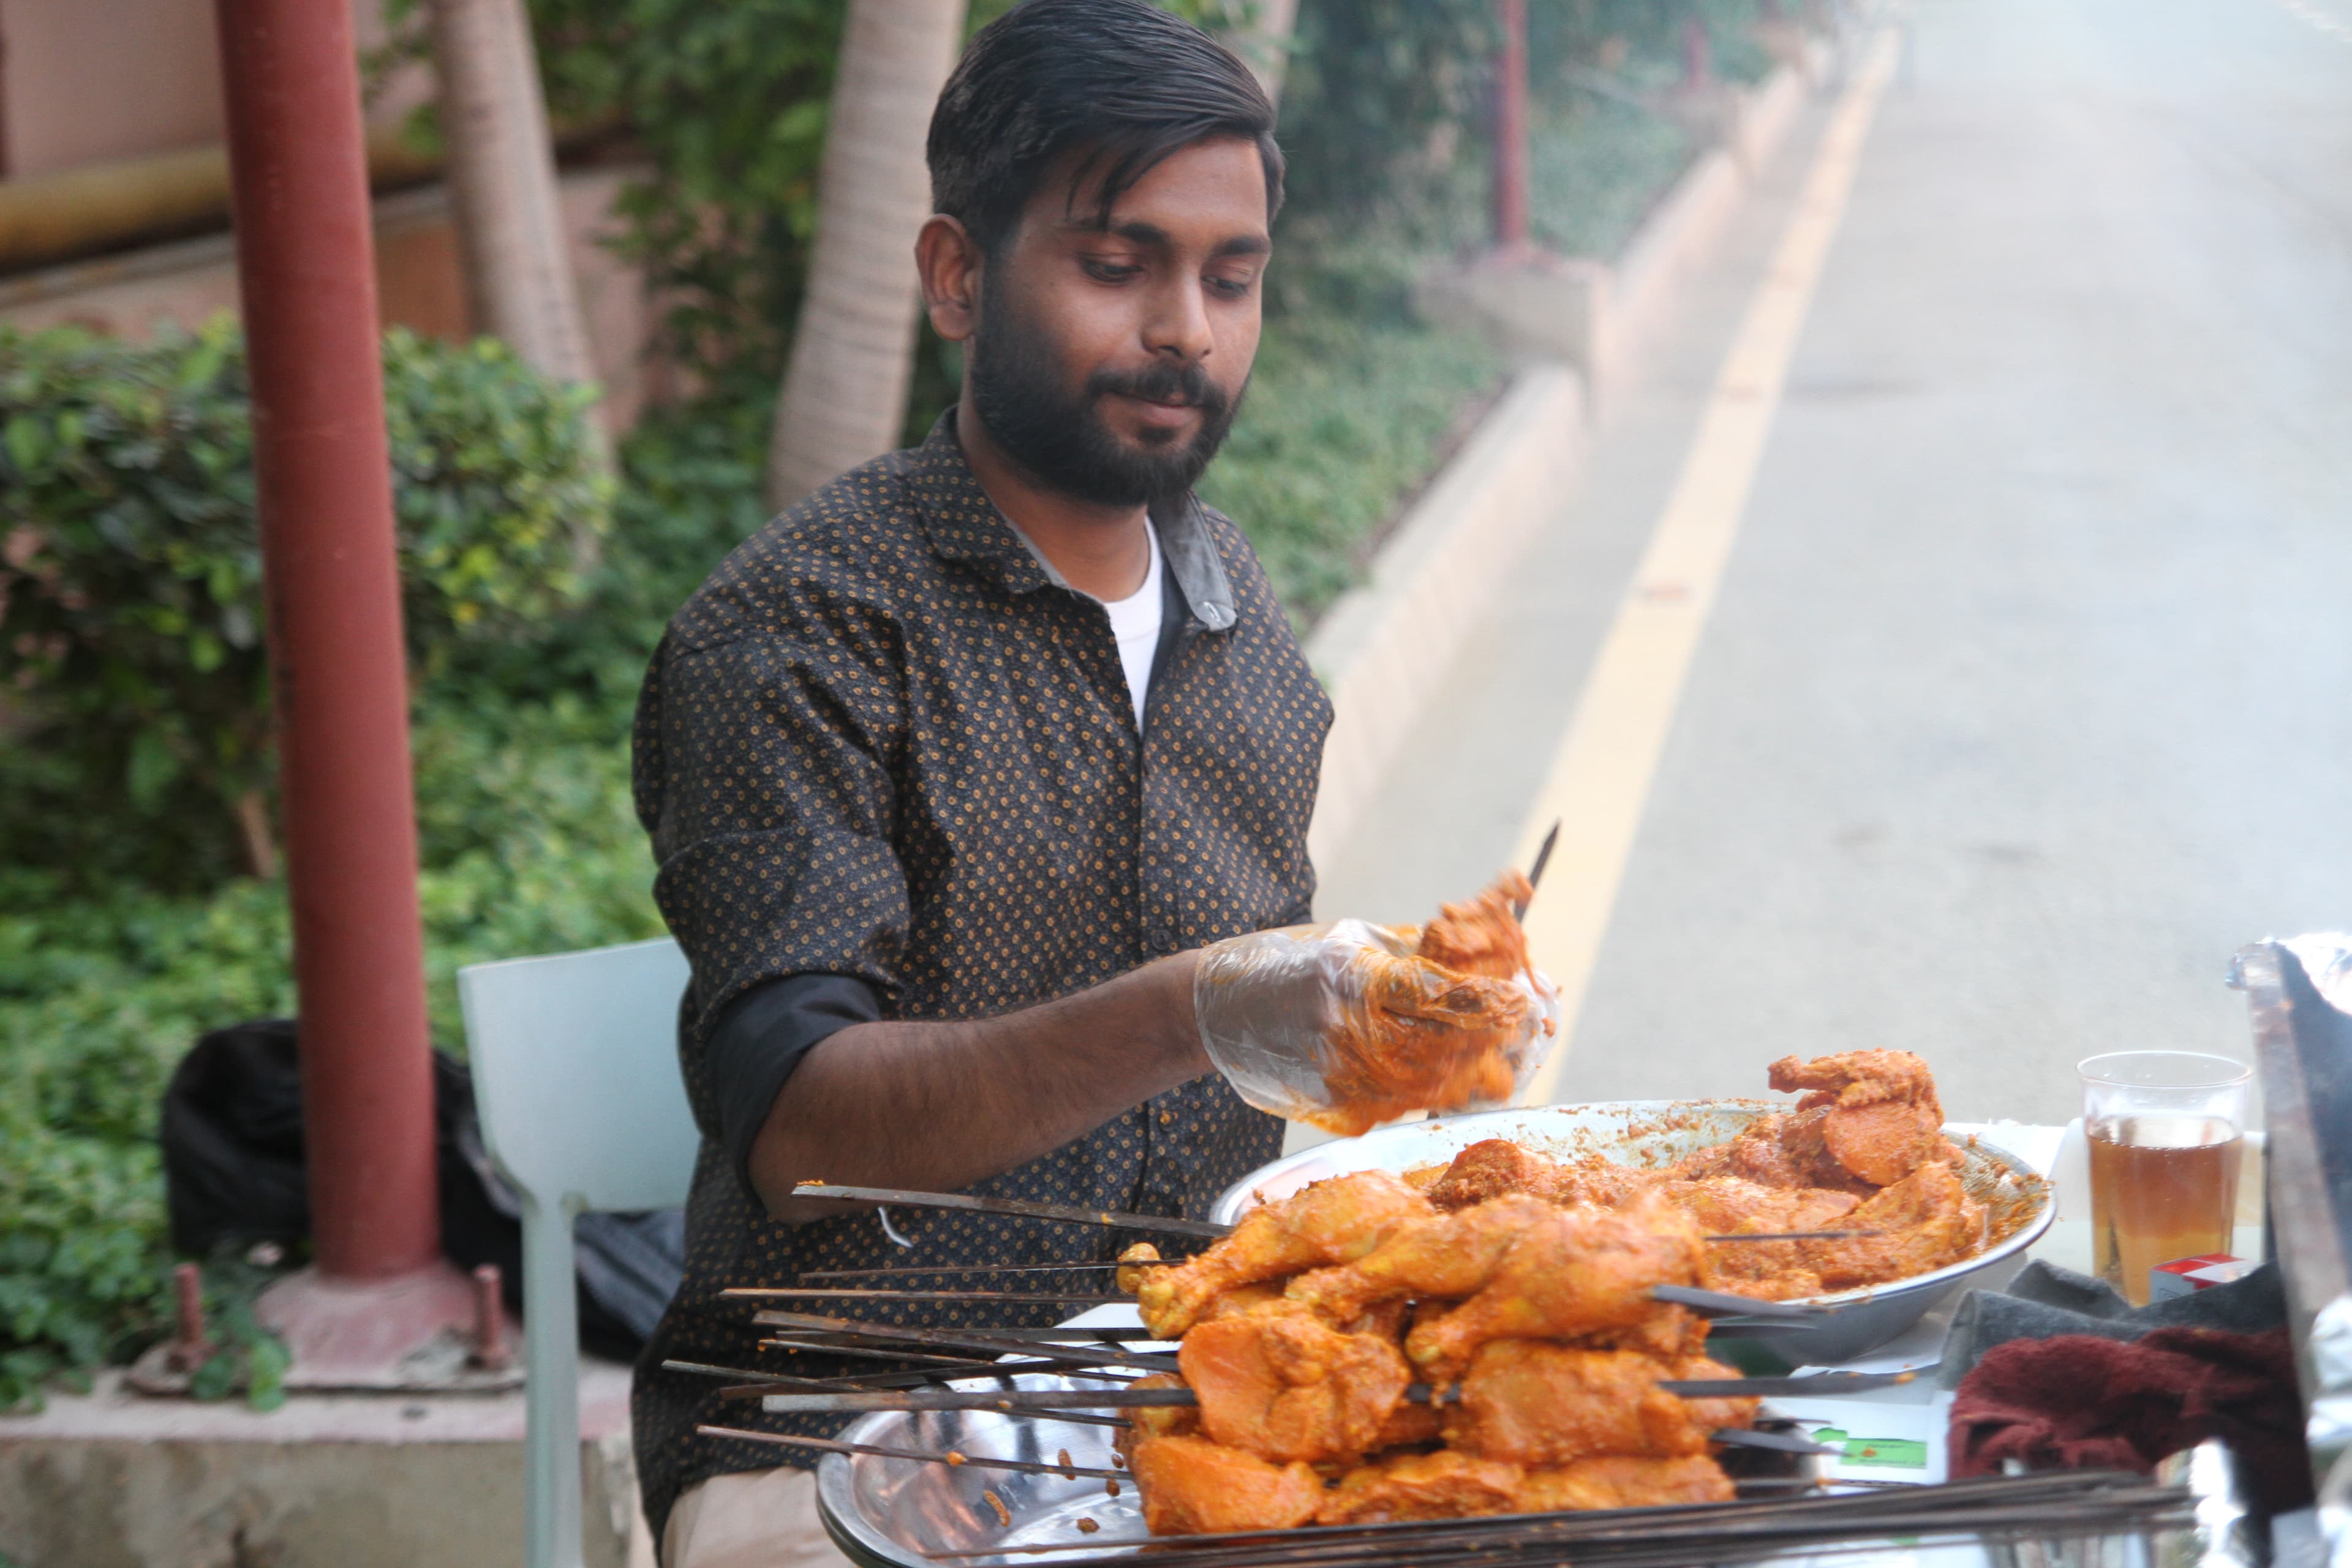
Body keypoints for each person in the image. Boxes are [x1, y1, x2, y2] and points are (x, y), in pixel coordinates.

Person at [628, 2, 1327, 1560]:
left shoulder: (1241, 613)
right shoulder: (798, 628)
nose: (1187, 332)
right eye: (1115, 262)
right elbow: (802, 1135)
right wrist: (1197, 1006)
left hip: (1182, 1384)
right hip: (824, 1418)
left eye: (1232, 276)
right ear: (956, 274)